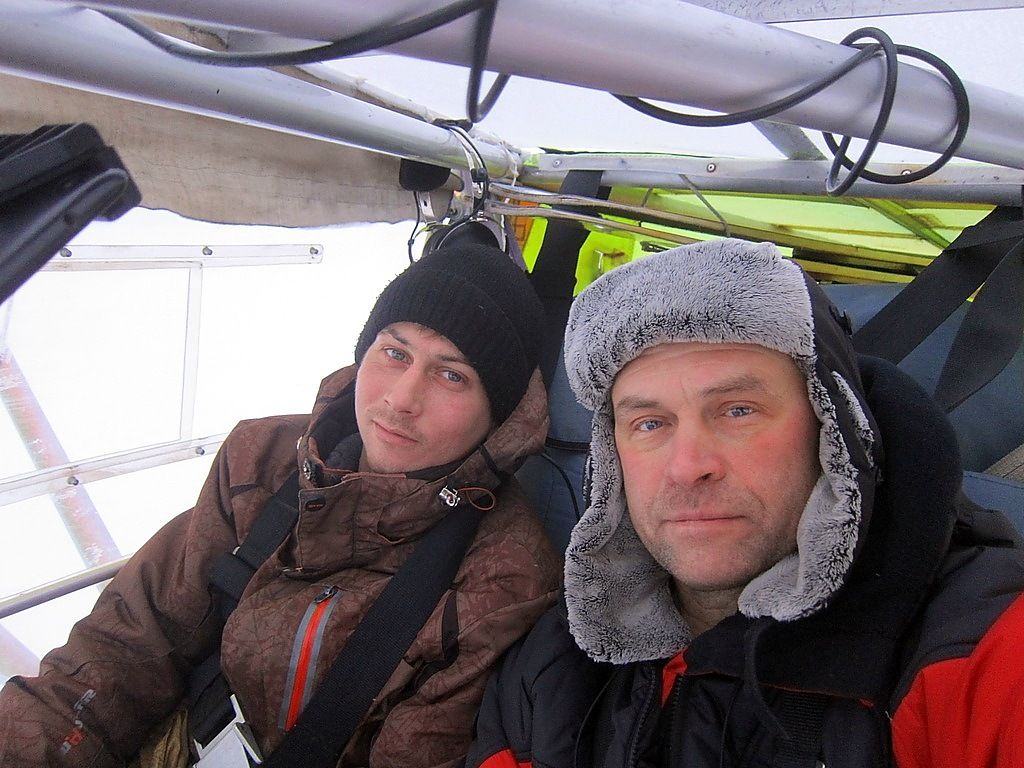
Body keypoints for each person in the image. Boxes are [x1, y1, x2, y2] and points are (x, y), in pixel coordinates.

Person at [0, 242, 561, 768]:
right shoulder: (262, 462)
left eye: (451, 374)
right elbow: (127, 645)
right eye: (395, 352)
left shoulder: (504, 575)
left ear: (495, 415)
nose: (401, 398)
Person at [467, 238, 1024, 768]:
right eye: (650, 423)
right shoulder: (549, 672)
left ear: (831, 430)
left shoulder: (984, 652)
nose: (688, 466)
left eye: (738, 410)